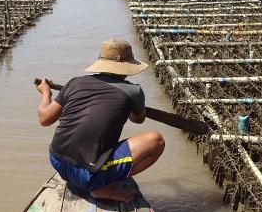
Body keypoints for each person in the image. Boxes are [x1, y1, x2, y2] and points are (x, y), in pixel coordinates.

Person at [36, 38, 165, 202]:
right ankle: (102, 187)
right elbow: (138, 119)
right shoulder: (133, 91)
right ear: (127, 67)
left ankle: (98, 178)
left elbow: (44, 119)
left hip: (56, 159)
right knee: (156, 141)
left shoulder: (74, 83)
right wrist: (133, 105)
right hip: (87, 174)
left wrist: (46, 91)